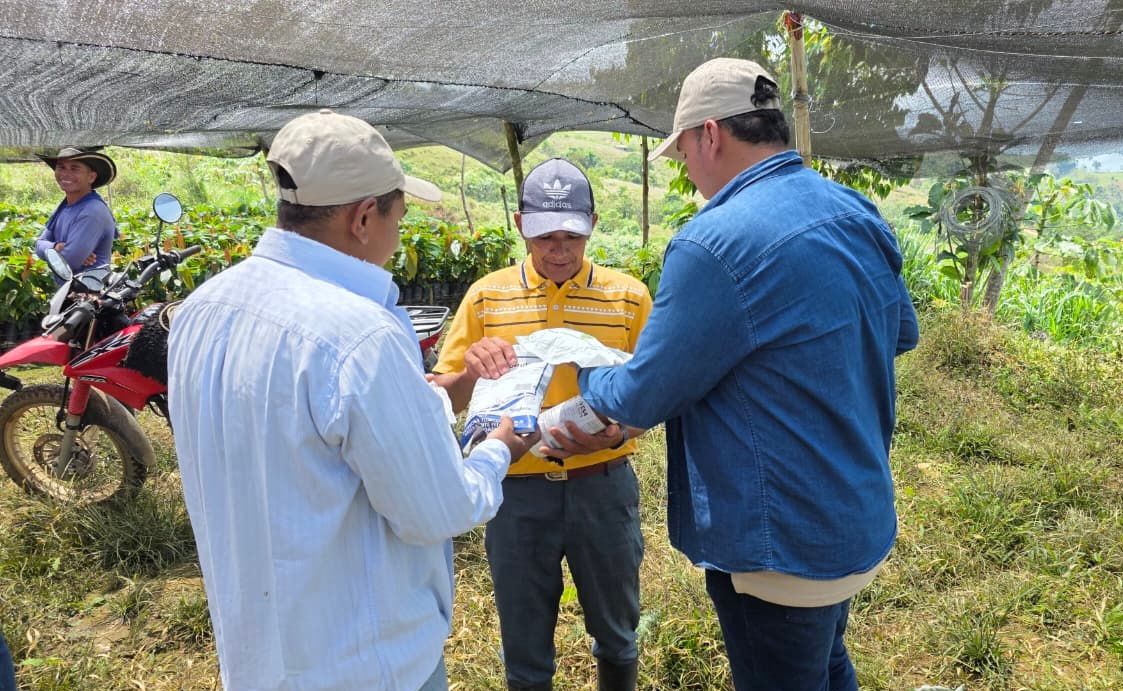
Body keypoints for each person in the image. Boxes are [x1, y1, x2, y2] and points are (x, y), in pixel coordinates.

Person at [574, 58, 920, 690]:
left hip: (779, 542)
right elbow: (900, 334)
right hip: (852, 512)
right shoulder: (856, 212)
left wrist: (584, 377)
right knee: (824, 661)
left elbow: (644, 393)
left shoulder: (715, 243)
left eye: (682, 153)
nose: (687, 169)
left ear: (710, 135)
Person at [167, 109, 537, 691]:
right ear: (365, 218)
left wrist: (432, 398)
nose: (399, 234)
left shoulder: (202, 309)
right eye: (400, 215)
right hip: (365, 660)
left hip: (258, 653)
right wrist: (497, 451)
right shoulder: (359, 335)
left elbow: (296, 433)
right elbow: (436, 511)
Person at [430, 158, 652, 691]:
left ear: (593, 224)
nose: (558, 250)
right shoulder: (486, 297)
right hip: (516, 494)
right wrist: (469, 368)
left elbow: (652, 396)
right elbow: (444, 399)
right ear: (519, 224)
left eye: (571, 236)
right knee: (525, 645)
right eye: (544, 236)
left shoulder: (627, 299)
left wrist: (619, 433)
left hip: (603, 487)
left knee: (617, 632)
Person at [34, 147, 119, 275]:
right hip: (67, 291)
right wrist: (56, 247)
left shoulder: (92, 211)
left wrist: (60, 252)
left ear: (91, 177)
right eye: (61, 167)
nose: (66, 174)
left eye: (75, 168)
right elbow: (38, 245)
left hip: (89, 291)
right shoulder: (64, 207)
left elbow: (66, 262)